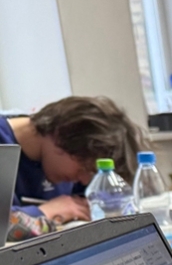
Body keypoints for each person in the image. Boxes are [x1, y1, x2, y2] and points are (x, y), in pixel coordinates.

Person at [0, 96, 143, 228]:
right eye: (84, 169)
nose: (84, 180)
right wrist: (48, 212)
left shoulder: (60, 160)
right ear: (60, 136)